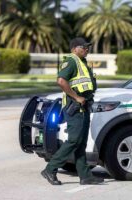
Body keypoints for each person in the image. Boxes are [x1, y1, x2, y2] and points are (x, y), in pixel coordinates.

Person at [41, 37, 104, 185]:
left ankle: (85, 176)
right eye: (84, 47)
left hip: (84, 107)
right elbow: (61, 81)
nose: (87, 49)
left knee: (81, 142)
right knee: (74, 140)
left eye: (88, 47)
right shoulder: (71, 61)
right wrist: (76, 97)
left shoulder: (82, 63)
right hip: (75, 107)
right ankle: (50, 169)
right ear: (75, 48)